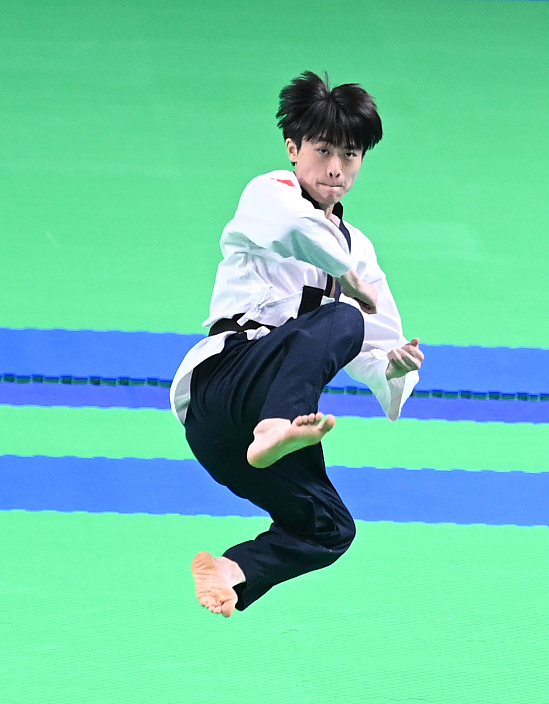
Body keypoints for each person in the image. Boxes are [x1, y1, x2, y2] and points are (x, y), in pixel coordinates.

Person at [170, 72, 423, 617]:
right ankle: (274, 427)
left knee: (330, 527)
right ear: (293, 148)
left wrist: (395, 367)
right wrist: (345, 276)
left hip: (240, 439)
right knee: (342, 319)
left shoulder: (359, 249)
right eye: (323, 149)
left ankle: (232, 572)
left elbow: (382, 340)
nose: (335, 167)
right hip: (226, 383)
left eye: (350, 155)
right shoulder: (268, 194)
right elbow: (294, 229)